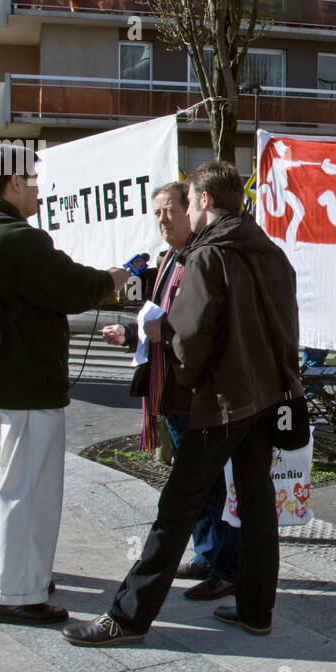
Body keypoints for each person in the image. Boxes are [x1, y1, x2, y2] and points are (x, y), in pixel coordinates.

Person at [64, 161, 300, 646]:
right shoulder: (272, 254)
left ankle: (127, 618)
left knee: (176, 509)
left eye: (189, 201)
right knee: (257, 507)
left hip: (221, 403)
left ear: (205, 202)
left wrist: (160, 337)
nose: (187, 210)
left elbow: (189, 342)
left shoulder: (208, 257)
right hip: (265, 398)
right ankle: (256, 611)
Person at [0, 143, 128, 625]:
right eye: (33, 178)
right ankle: (15, 595)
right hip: (25, 387)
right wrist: (112, 277)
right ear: (13, 182)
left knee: (6, 488)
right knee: (28, 493)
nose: (39, 187)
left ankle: (17, 578)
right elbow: (74, 287)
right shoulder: (15, 237)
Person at [100, 180, 241, 601]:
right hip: (172, 390)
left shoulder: (201, 259)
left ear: (192, 210)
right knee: (190, 480)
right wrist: (130, 333)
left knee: (208, 484)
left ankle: (226, 567)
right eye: (156, 212)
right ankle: (206, 552)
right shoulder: (168, 260)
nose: (162, 219)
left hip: (196, 393)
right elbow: (158, 318)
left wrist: (160, 333)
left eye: (169, 211)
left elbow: (196, 326)